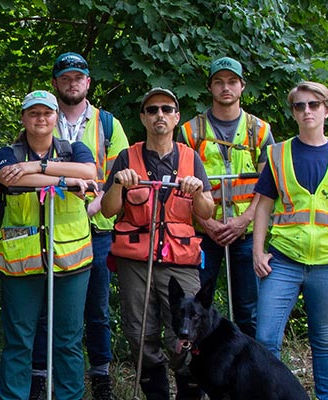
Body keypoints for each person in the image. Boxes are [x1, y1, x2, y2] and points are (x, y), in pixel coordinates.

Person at [99, 87, 214, 400]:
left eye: (166, 109)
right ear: (143, 118)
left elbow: (206, 213)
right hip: (135, 260)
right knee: (139, 333)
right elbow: (109, 210)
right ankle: (156, 394)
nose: (159, 115)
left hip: (180, 259)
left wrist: (198, 192)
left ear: (176, 117)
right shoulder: (127, 157)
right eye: (152, 110)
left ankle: (189, 389)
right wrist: (119, 185)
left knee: (190, 327)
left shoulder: (191, 158)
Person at [250, 81, 328, 400]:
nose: (307, 111)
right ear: (294, 113)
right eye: (300, 106)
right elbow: (263, 207)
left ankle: (327, 398)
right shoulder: (278, 153)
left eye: (313, 105)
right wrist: (258, 251)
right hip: (283, 260)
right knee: (266, 338)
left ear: (326, 109)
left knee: (324, 339)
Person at [0, 90, 97, 400]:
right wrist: (65, 181)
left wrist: (36, 168)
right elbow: (8, 179)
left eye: (47, 113)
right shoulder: (8, 152)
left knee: (67, 340)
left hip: (71, 261)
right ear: (23, 118)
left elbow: (89, 173)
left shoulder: (75, 148)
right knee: (18, 341)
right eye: (34, 113)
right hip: (20, 262)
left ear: (56, 118)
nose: (41, 119)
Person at [44, 53, 129, 397]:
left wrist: (95, 206)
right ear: (56, 83)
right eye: (65, 77)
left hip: (98, 228)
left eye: (78, 77)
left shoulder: (108, 123)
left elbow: (119, 172)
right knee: (49, 306)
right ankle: (42, 375)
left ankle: (101, 375)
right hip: (52, 225)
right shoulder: (43, 118)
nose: (72, 82)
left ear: (88, 82)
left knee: (96, 306)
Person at [182, 57, 274, 338]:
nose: (226, 87)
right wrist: (209, 224)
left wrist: (244, 221)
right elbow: (182, 186)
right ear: (209, 87)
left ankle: (249, 371)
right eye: (219, 81)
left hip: (245, 233)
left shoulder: (259, 130)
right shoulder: (190, 131)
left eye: (232, 81)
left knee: (249, 309)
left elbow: (268, 184)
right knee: (198, 307)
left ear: (242, 86)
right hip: (204, 233)